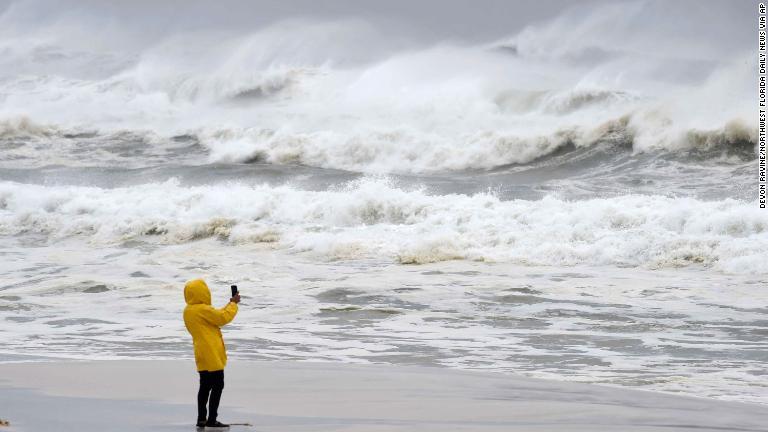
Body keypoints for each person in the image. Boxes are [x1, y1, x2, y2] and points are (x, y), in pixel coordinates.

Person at [183, 279, 240, 429]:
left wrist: (229, 304)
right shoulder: (203, 309)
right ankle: (212, 419)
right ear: (203, 292)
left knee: (204, 386)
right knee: (218, 384)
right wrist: (233, 304)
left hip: (200, 352)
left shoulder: (188, 311)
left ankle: (201, 419)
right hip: (211, 353)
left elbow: (215, 316)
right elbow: (222, 317)